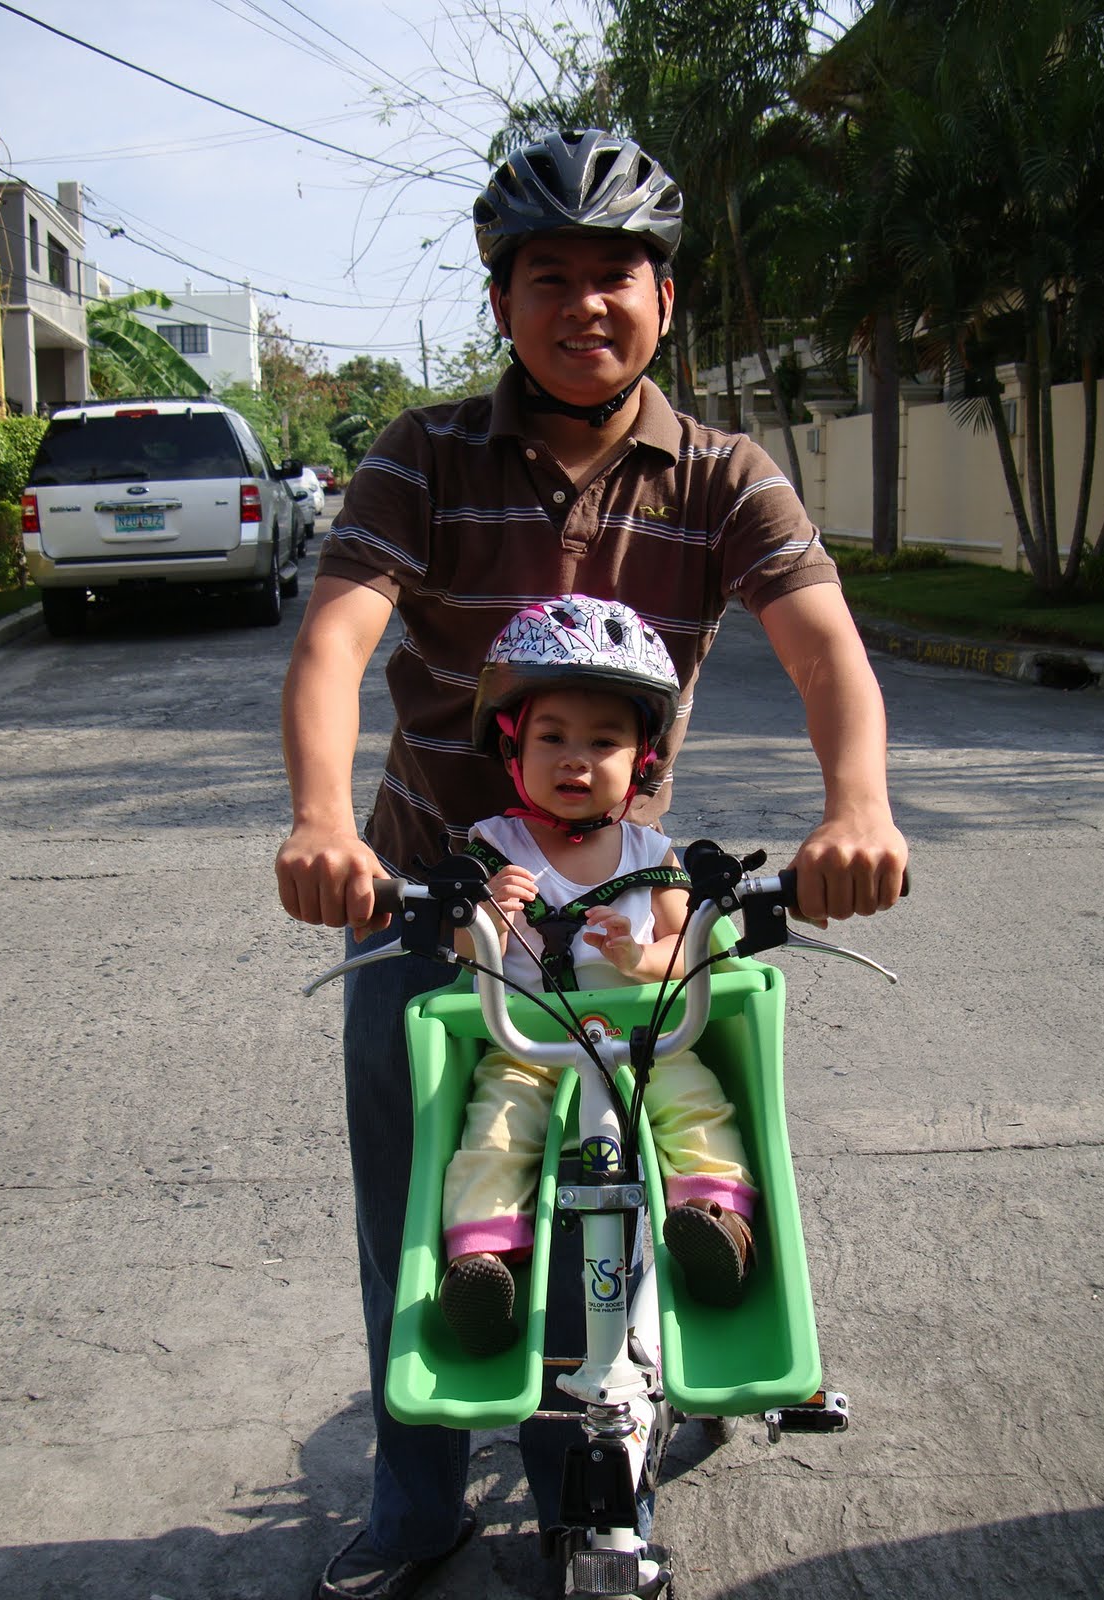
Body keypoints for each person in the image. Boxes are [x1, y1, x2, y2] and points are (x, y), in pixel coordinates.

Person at [276, 127, 908, 1600]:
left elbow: (826, 653)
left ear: (664, 299)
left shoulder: (723, 473)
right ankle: (419, 1495)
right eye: (545, 277)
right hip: (438, 896)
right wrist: (318, 822)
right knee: (430, 1205)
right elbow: (334, 646)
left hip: (632, 916)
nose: (584, 306)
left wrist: (857, 805)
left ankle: (694, 1340)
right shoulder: (421, 456)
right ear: (501, 305)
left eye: (614, 273)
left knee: (705, 1122)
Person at [441, 595, 757, 1358]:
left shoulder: (656, 856)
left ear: (641, 760)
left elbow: (698, 950)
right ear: (512, 750)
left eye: (603, 741)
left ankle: (718, 1228)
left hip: (649, 1037)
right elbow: (459, 951)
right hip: (529, 1043)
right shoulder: (492, 845)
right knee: (494, 1132)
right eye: (551, 738)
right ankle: (487, 1267)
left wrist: (643, 960)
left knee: (696, 1108)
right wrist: (481, 913)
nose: (575, 758)